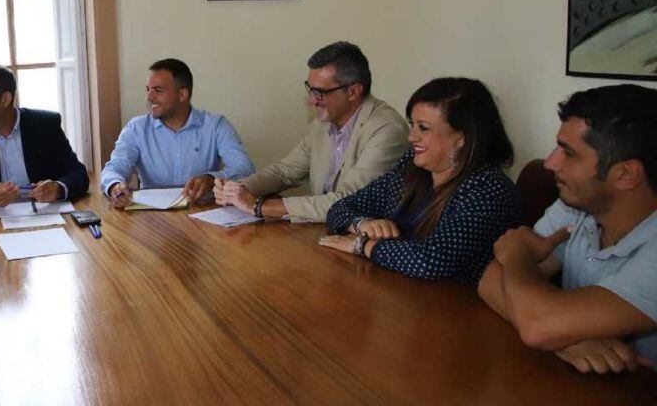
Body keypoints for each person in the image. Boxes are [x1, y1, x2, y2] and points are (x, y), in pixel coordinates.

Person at [478, 85, 657, 373]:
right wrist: (566, 340)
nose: (550, 163)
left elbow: (536, 322)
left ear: (625, 174)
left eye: (568, 153)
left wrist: (518, 257)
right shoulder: (579, 206)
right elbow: (491, 280)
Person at [319, 78, 522, 283]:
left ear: (462, 137)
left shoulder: (488, 189)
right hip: (398, 291)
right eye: (412, 125)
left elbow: (433, 261)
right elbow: (340, 208)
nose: (411, 137)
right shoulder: (412, 167)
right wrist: (363, 224)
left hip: (456, 308)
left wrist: (363, 245)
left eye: (423, 128)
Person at [215, 42, 409, 223]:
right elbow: (284, 172)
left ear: (353, 92)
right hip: (324, 232)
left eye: (320, 93)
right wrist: (239, 189)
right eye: (310, 89)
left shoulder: (387, 130)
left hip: (366, 242)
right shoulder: (323, 123)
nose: (312, 101)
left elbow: (348, 201)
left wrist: (259, 206)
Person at [101, 58, 254, 209]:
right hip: (152, 217)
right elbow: (114, 166)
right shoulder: (136, 128)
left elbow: (245, 169)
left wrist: (211, 179)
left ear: (182, 95)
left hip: (203, 213)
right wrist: (115, 186)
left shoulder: (215, 125)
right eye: (148, 89)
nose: (149, 96)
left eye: (158, 90)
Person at [0, 65, 89, 209]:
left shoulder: (45, 125)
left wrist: (58, 189)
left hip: (45, 215)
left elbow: (79, 174)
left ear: (5, 99)